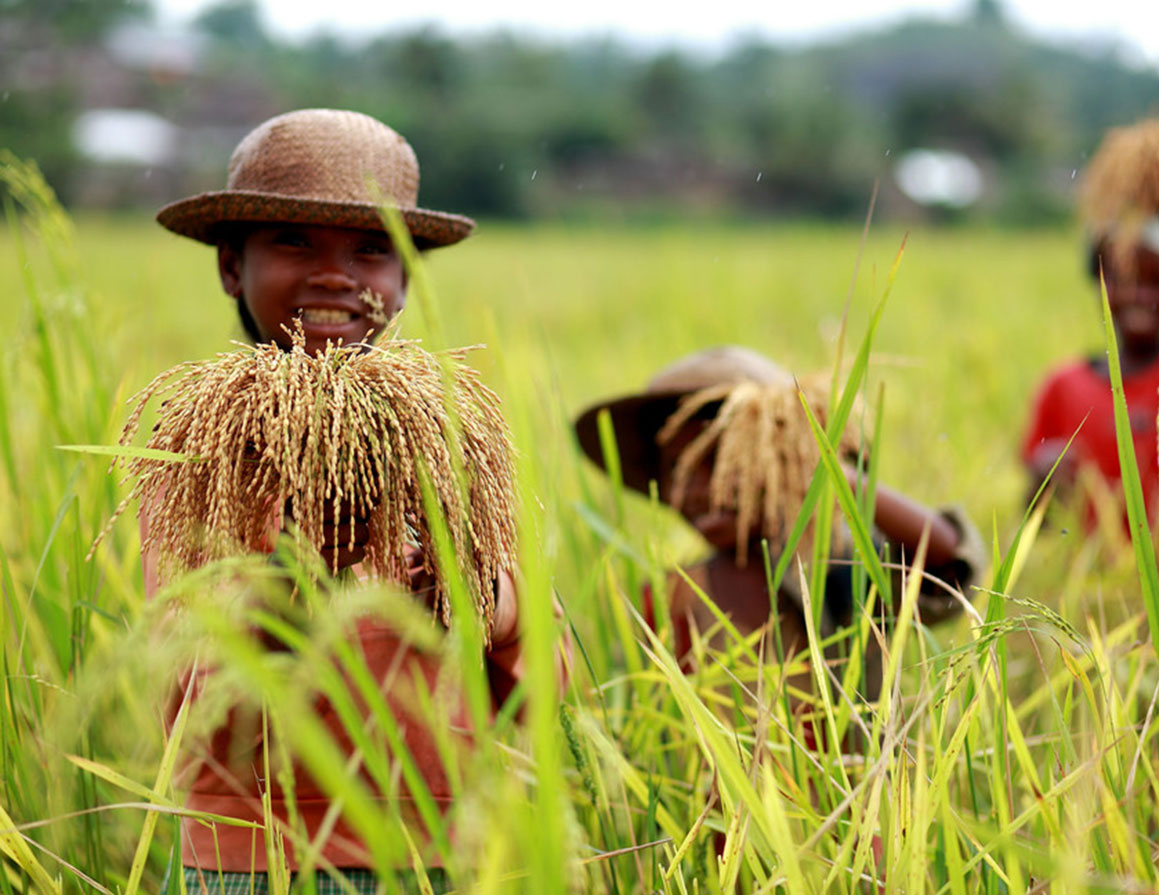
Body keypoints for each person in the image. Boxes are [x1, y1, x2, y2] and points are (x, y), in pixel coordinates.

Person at [148, 108, 561, 893]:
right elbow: (184, 683)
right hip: (255, 854)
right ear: (231, 266)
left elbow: (544, 666)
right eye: (295, 241)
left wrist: (473, 594)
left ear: (405, 282)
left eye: (372, 250)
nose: (336, 274)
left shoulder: (444, 434)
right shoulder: (199, 446)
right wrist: (292, 583)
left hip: (442, 847)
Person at [573, 346, 985, 707]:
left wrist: (829, 471)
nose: (696, 489)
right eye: (676, 470)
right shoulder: (670, 598)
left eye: (718, 461)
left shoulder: (841, 569)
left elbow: (949, 559)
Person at [1021, 216, 1159, 533]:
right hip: (1101, 576)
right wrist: (1042, 476)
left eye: (1158, 281)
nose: (1139, 295)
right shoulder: (1062, 386)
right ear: (1099, 281)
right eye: (1123, 278)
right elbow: (1037, 520)